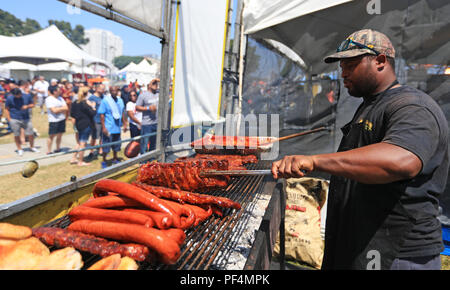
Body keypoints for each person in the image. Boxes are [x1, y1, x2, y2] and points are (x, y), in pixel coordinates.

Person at [271, 29, 448, 270]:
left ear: (380, 61)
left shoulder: (412, 106)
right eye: (342, 66)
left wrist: (314, 161)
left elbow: (402, 160)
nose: (343, 73)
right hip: (360, 244)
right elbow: (357, 166)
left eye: (351, 64)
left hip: (396, 254)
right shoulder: (370, 106)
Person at [98, 85, 128, 168]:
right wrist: (103, 127)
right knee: (106, 145)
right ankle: (104, 160)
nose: (114, 92)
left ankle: (115, 158)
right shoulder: (106, 101)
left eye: (115, 90)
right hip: (108, 127)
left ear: (118, 91)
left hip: (117, 127)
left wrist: (125, 123)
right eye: (112, 91)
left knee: (117, 144)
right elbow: (102, 115)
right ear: (110, 91)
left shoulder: (120, 100)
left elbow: (122, 113)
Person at [4, 88, 39, 156]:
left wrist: (27, 106)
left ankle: (32, 147)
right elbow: (7, 109)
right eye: (16, 95)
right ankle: (19, 149)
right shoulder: (9, 98)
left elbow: (33, 104)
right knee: (16, 135)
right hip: (14, 119)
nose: (18, 96)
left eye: (19, 95)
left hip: (26, 118)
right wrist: (9, 119)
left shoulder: (27, 96)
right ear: (13, 95)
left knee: (31, 133)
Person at [70, 86, 96, 166]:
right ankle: (80, 161)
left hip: (78, 124)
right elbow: (92, 113)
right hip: (86, 125)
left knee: (79, 142)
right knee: (83, 143)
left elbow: (72, 114)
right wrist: (93, 106)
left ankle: (73, 158)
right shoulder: (85, 103)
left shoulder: (75, 102)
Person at [136, 79, 159, 154]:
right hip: (147, 124)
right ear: (149, 85)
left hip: (156, 123)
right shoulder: (143, 95)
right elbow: (137, 107)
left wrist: (159, 80)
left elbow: (168, 87)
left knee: (153, 144)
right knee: (144, 144)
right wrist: (148, 108)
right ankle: (143, 162)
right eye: (153, 83)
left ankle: (151, 162)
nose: (156, 85)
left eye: (156, 84)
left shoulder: (159, 93)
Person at [45, 86, 68, 154]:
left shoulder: (60, 98)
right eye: (59, 90)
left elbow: (66, 108)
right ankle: (49, 150)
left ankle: (58, 148)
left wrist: (59, 109)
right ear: (54, 91)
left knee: (60, 135)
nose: (60, 91)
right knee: (51, 136)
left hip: (62, 119)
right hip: (54, 120)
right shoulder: (49, 99)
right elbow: (54, 110)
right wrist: (61, 108)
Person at [87, 83, 105, 159]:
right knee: (94, 137)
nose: (103, 90)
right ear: (97, 89)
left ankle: (101, 149)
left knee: (102, 136)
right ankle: (91, 151)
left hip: (103, 119)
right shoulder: (92, 98)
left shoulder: (103, 97)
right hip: (95, 120)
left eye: (104, 89)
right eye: (102, 88)